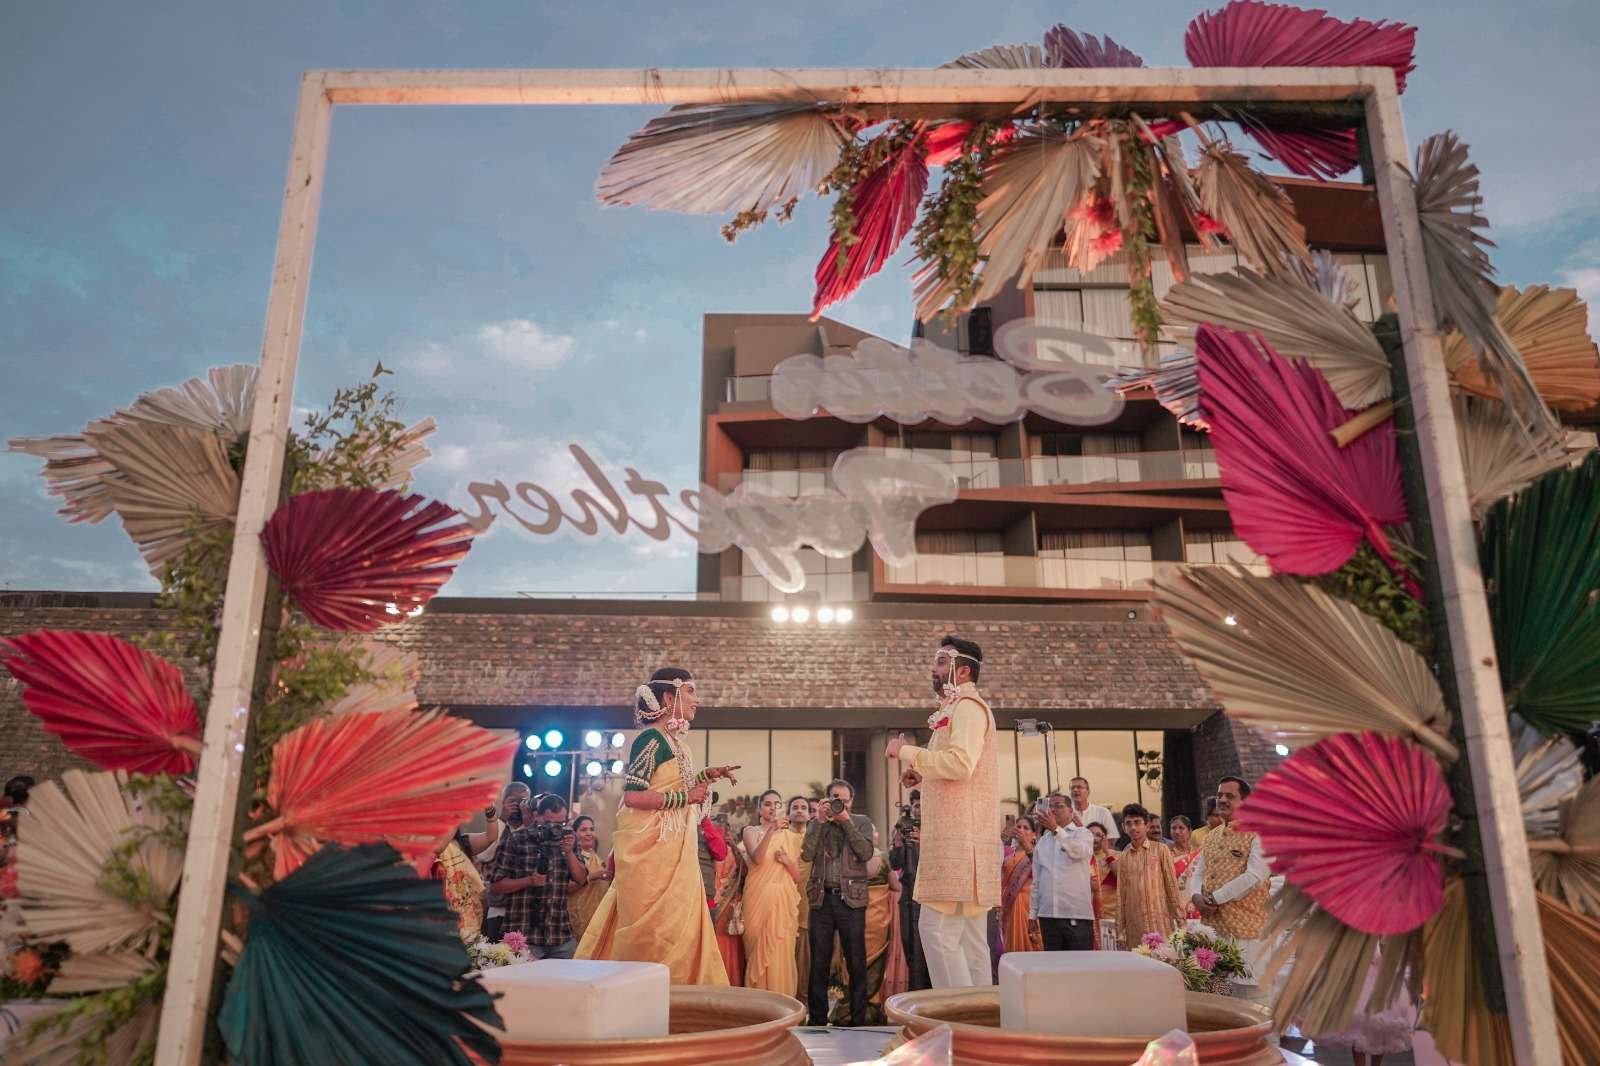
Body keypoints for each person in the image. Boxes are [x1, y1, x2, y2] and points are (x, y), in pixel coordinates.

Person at [575, 667, 741, 984]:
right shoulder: (650, 739)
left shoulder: (677, 744)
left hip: (674, 849)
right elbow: (634, 796)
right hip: (653, 855)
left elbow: (677, 788)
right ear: (668, 697)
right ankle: (646, 991)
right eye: (690, 691)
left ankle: (681, 995)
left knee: (678, 923)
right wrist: (687, 796)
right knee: (656, 928)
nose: (697, 699)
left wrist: (706, 776)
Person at [886, 636, 1002, 990]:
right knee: (969, 940)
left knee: (936, 930)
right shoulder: (958, 708)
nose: (933, 669)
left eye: (940, 661)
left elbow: (961, 764)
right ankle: (980, 1013)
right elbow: (956, 765)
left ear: (962, 671)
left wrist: (907, 752)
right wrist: (921, 774)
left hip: (958, 842)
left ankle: (955, 1014)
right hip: (965, 840)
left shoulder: (967, 707)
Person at [1187, 777, 1272, 1005]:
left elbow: (1255, 876)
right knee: (1218, 999)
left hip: (1247, 931)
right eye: (1220, 795)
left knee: (1251, 1000)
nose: (1222, 799)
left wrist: (1216, 898)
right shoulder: (1212, 836)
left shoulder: (1260, 833)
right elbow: (1197, 872)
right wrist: (1196, 896)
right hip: (1214, 932)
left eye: (1230, 796)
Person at [800, 779, 875, 1026]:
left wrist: (846, 822)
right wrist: (819, 822)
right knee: (819, 962)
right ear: (826, 799)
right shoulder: (818, 823)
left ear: (851, 801)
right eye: (834, 798)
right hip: (821, 899)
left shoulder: (861, 822)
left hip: (851, 900)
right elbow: (807, 854)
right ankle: (817, 1020)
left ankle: (858, 1020)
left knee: (855, 961)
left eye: (843, 799)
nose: (838, 803)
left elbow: (865, 853)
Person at [489, 793, 589, 959]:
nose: (556, 827)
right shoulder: (516, 839)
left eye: (561, 823)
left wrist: (569, 852)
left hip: (559, 934)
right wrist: (529, 881)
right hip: (524, 935)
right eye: (550, 822)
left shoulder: (568, 839)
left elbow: (581, 879)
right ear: (537, 816)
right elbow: (495, 886)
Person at [830, 829, 904, 1024]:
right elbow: (896, 886)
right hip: (877, 920)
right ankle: (870, 1009)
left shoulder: (843, 858)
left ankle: (847, 1010)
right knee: (874, 963)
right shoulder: (882, 858)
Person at [741, 790, 803, 994]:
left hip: (782, 900)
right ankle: (758, 1005)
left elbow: (797, 877)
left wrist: (787, 862)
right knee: (756, 952)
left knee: (781, 953)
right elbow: (757, 858)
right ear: (760, 809)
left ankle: (783, 1003)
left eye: (777, 804)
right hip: (757, 897)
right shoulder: (751, 831)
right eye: (767, 804)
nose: (772, 808)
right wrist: (772, 830)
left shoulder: (791, 837)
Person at [1027, 792, 1096, 950]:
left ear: (1071, 811)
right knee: (1053, 964)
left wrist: (1056, 830)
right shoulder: (1042, 843)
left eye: (1059, 806)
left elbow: (1078, 852)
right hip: (1048, 916)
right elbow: (1037, 882)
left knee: (1081, 964)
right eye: (1050, 806)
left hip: (1076, 915)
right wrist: (1032, 914)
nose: (1053, 810)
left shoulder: (1083, 834)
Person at [1116, 804, 1182, 948]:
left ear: (1146, 826)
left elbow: (1172, 887)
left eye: (1137, 822)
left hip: (1160, 925)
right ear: (1123, 827)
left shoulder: (1161, 850)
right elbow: (1121, 896)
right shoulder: (1123, 858)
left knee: (1164, 960)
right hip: (1135, 929)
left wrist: (1181, 922)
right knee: (1138, 961)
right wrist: (1120, 931)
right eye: (1128, 823)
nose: (1133, 827)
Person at [478, 781, 531, 942]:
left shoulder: (532, 832)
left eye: (523, 801)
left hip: (525, 911)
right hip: (498, 909)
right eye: (513, 801)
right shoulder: (496, 829)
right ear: (503, 802)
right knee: (497, 956)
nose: (518, 805)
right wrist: (501, 818)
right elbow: (484, 855)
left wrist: (529, 819)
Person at [889, 792, 931, 991]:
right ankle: (915, 995)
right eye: (916, 805)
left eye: (923, 805)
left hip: (929, 898)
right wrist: (897, 844)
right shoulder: (904, 829)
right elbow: (894, 864)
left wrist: (924, 841)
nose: (919, 809)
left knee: (927, 951)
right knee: (910, 950)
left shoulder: (935, 830)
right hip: (908, 897)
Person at [711, 812, 747, 986]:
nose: (722, 829)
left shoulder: (735, 849)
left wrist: (734, 846)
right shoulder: (706, 847)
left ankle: (731, 982)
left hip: (731, 904)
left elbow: (745, 872)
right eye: (717, 826)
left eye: (725, 826)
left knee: (730, 941)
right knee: (716, 942)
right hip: (712, 902)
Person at [1000, 814, 1043, 953]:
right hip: (1009, 905)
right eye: (1018, 827)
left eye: (1026, 828)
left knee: (1031, 944)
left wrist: (1027, 847)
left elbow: (1041, 874)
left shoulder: (1038, 852)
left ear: (1034, 834)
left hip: (1029, 905)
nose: (1021, 830)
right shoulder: (1006, 851)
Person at [786, 795, 814, 1005]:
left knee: (804, 961)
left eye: (803, 807)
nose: (799, 810)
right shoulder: (781, 837)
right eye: (795, 807)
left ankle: (803, 1005)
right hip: (783, 901)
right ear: (788, 814)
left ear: (810, 814)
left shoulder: (813, 839)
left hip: (806, 904)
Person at [567, 815, 609, 942]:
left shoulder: (594, 856)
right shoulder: (571, 857)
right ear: (574, 833)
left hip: (596, 916)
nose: (589, 833)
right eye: (584, 830)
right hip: (576, 916)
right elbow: (566, 888)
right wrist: (593, 876)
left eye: (591, 829)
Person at [1088, 822, 1119, 949]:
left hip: (1110, 916)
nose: (1094, 838)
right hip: (1088, 916)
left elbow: (1120, 876)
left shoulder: (1115, 855)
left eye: (1098, 835)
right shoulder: (1081, 857)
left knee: (1110, 952)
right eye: (1090, 834)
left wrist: (1107, 853)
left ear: (1104, 838)